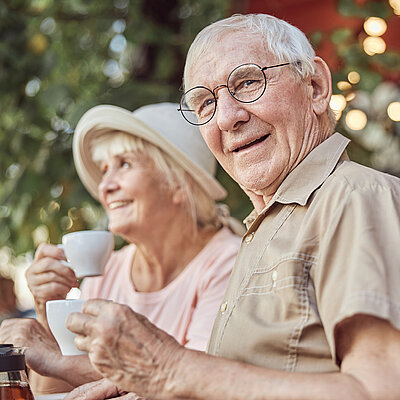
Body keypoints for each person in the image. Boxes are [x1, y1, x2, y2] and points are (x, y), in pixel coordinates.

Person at [64, 13, 400, 400]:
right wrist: (146, 380)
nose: (226, 117)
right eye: (205, 103)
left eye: (248, 82)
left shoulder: (355, 198)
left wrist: (173, 368)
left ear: (316, 87)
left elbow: (381, 390)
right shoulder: (267, 224)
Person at [0, 103, 242, 394]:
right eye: (104, 170)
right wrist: (47, 312)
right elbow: (52, 393)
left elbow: (198, 389)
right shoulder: (107, 270)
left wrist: (56, 359)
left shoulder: (230, 262)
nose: (105, 186)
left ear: (178, 183)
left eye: (124, 164)